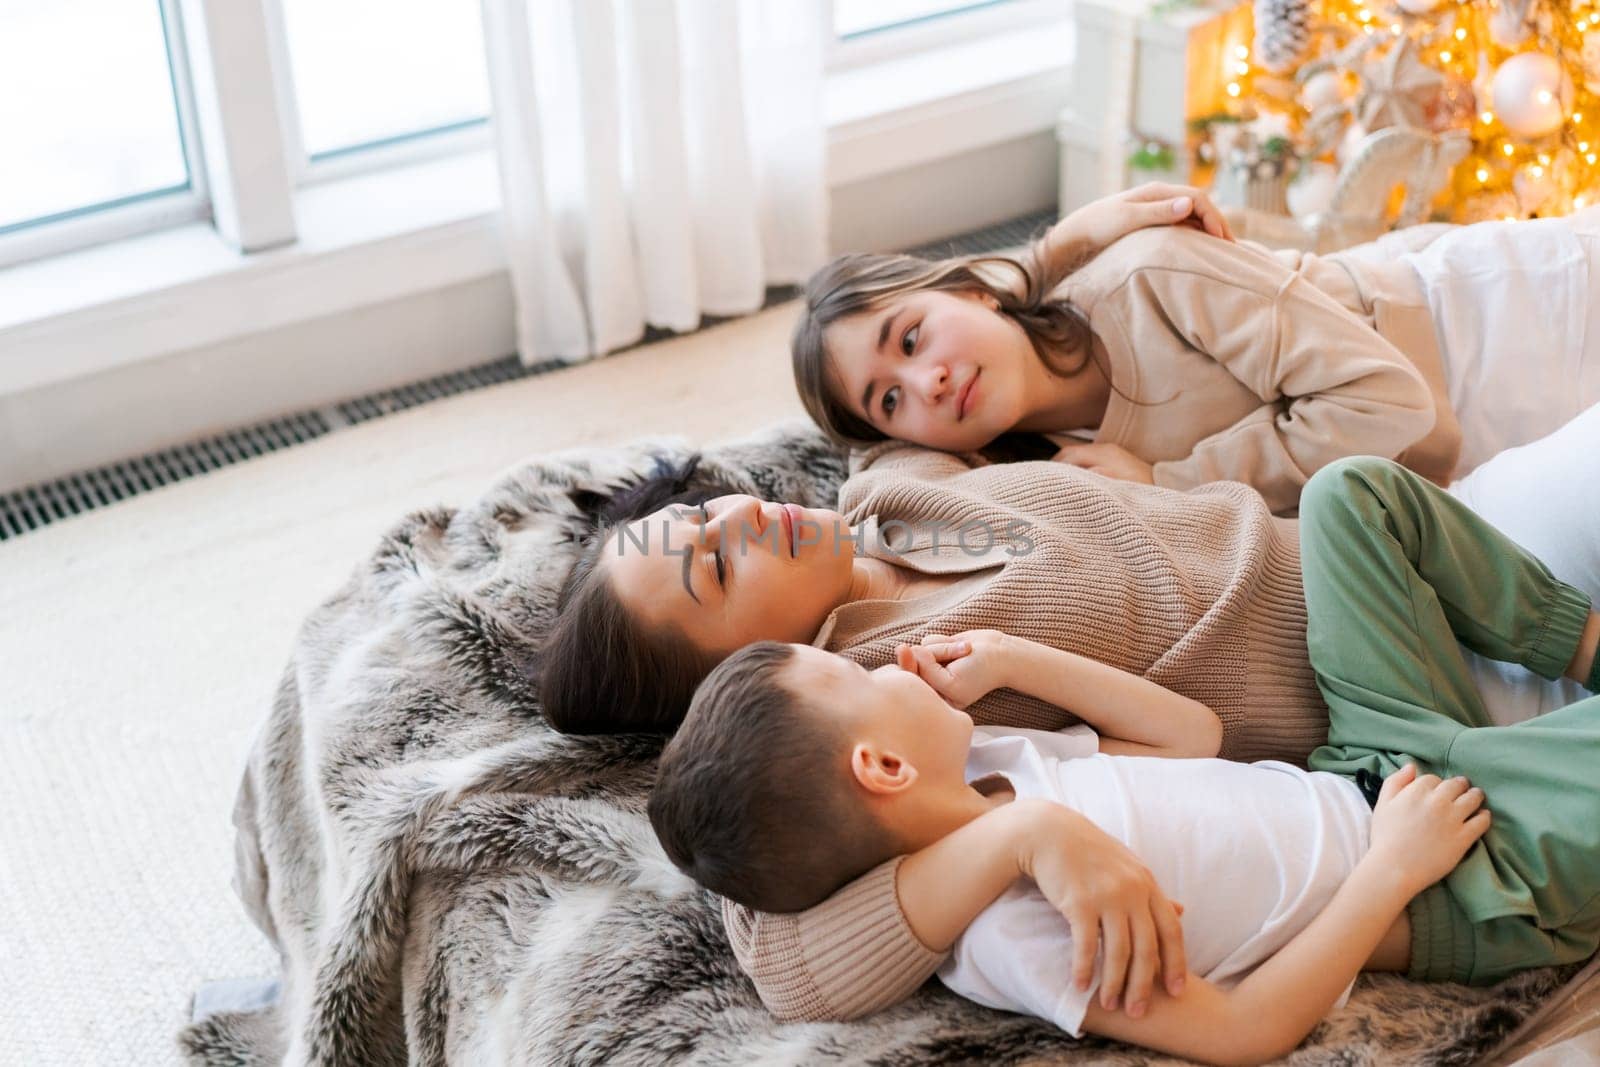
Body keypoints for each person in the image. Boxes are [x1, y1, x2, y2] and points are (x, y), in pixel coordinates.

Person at [537, 400, 1600, 1023]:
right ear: (733, 669)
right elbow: (788, 960)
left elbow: (945, 380)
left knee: (1352, 488)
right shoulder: (863, 711)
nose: (739, 514)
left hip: (1439, 581)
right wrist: (1025, 828)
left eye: (697, 514)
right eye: (715, 568)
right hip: (1411, 757)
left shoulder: (878, 497)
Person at [792, 204, 1600, 514]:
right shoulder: (1055, 475)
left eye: (910, 336)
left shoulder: (1148, 277)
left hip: (1494, 326)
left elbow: (1391, 405)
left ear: (971, 292)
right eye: (887, 400)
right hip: (1462, 455)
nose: (923, 379)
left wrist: (1173, 484)